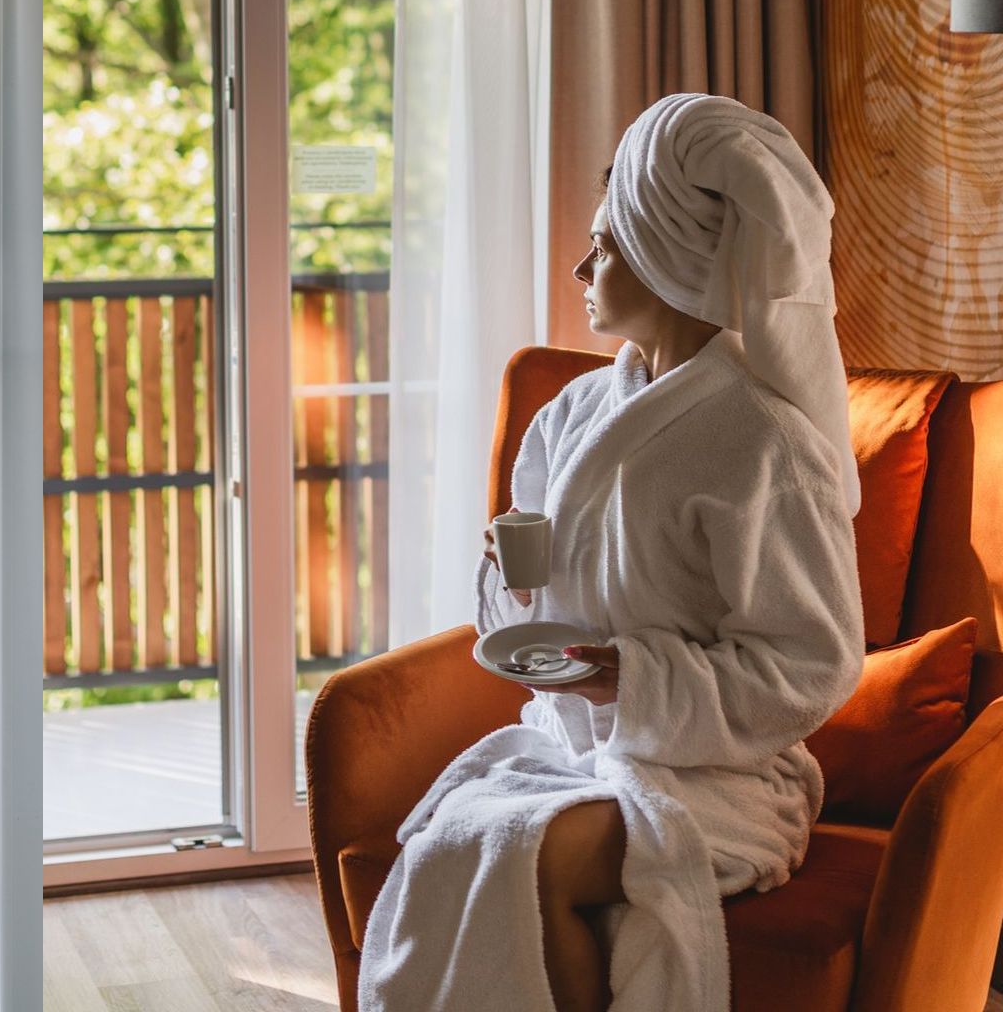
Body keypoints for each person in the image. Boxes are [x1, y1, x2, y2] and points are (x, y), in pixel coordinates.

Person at [355, 94, 864, 1012]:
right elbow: (528, 607)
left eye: (606, 245)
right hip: (575, 751)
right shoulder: (575, 412)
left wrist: (635, 678)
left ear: (670, 259)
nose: (582, 266)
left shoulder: (765, 443)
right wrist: (512, 580)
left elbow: (814, 664)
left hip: (724, 780)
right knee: (453, 840)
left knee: (524, 853)